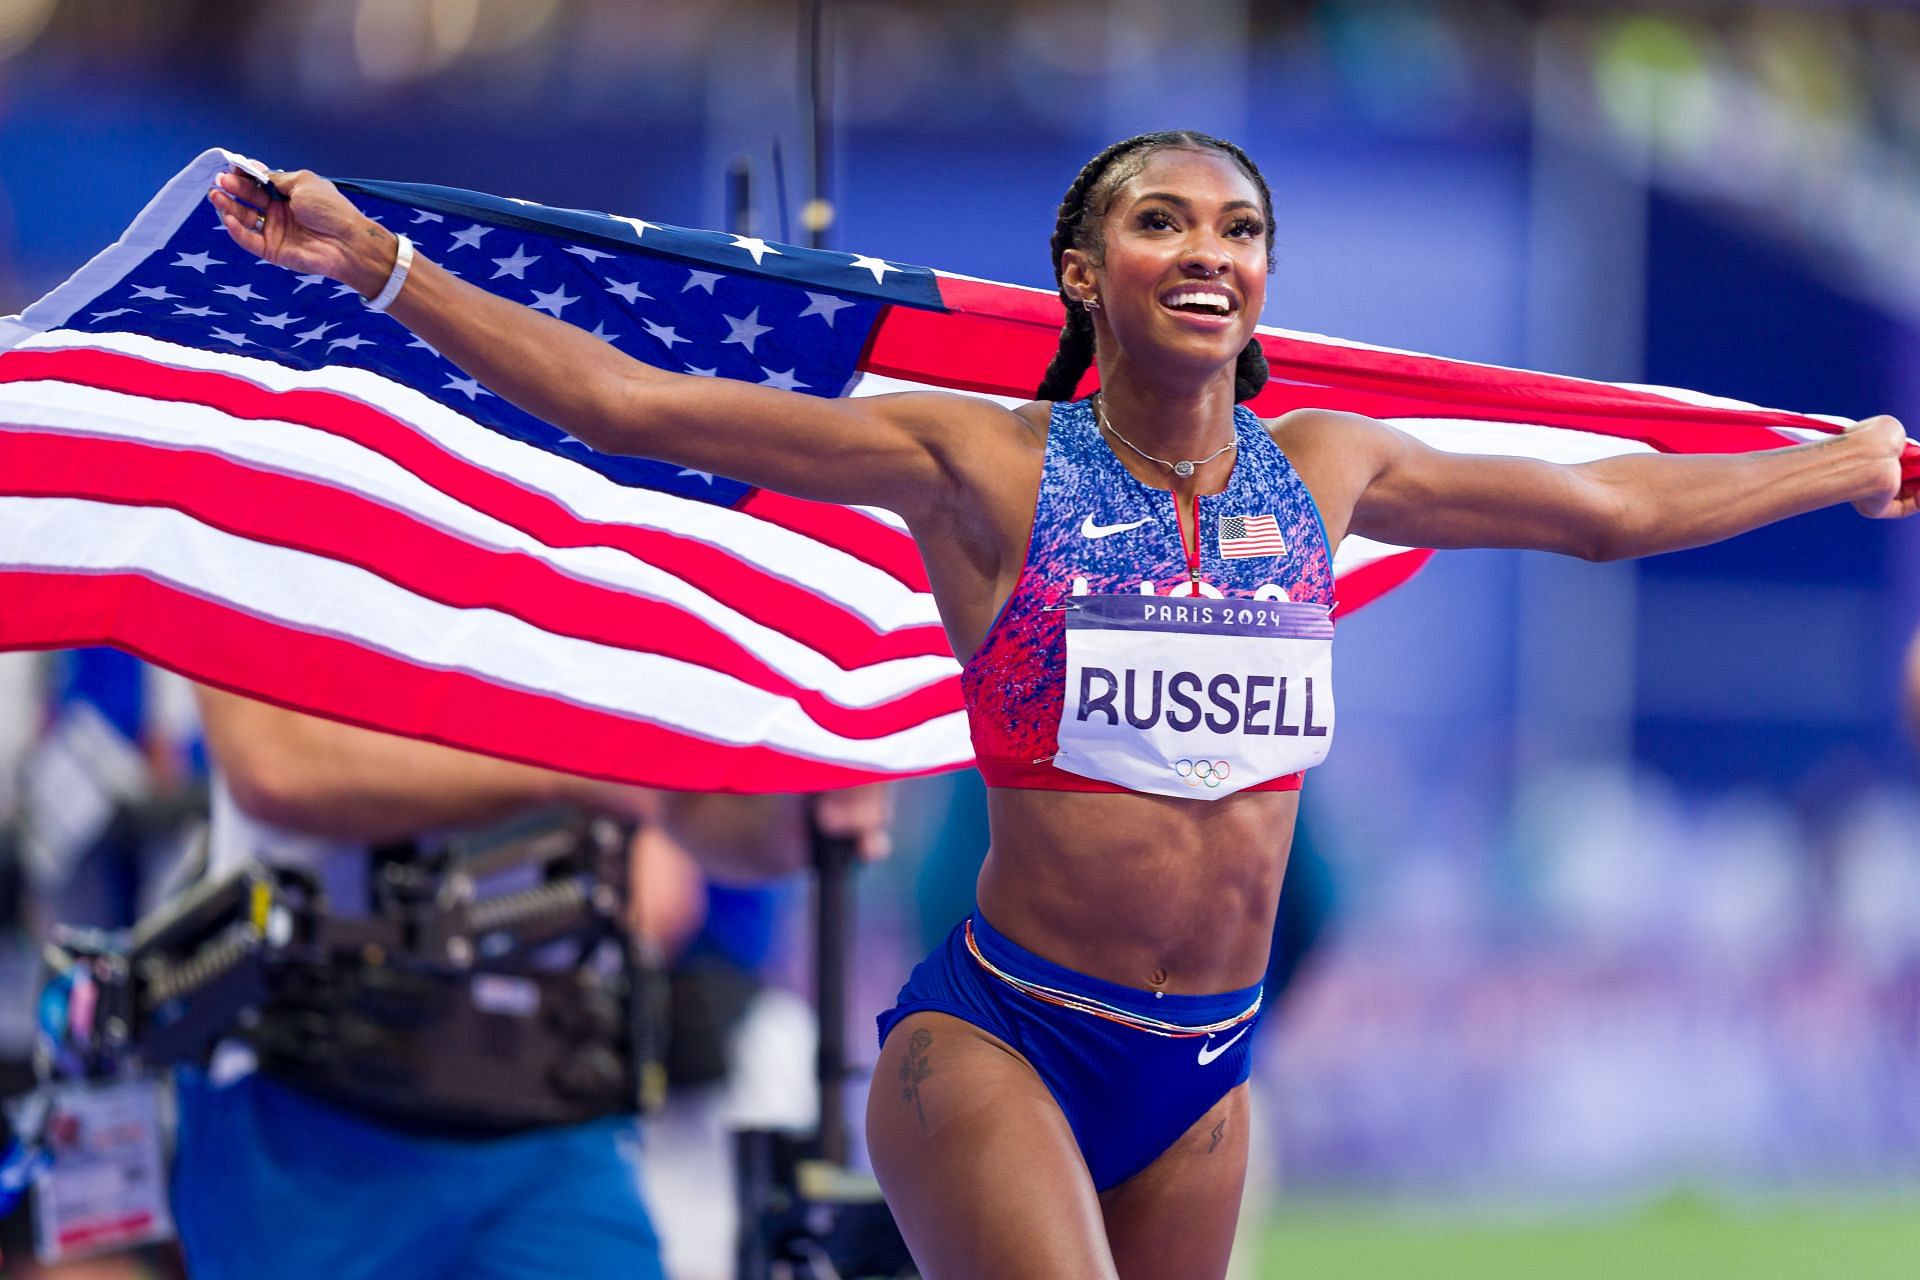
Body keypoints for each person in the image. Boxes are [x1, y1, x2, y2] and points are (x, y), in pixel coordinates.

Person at [208, 129, 1916, 1280]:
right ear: (1086, 277)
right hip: (1000, 1041)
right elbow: (636, 405)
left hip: (1202, 1071)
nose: (1209, 252)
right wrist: (378, 267)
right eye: (1161, 222)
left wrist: (1837, 465)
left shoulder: (1331, 467)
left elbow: (1611, 512)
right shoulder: (981, 464)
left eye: (1239, 228)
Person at [172, 686, 886, 1280]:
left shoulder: (599, 525)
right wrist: (583, 758)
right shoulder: (277, 516)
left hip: (556, 1109)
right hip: (309, 1118)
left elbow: (693, 815)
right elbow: (275, 763)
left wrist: (798, 795)